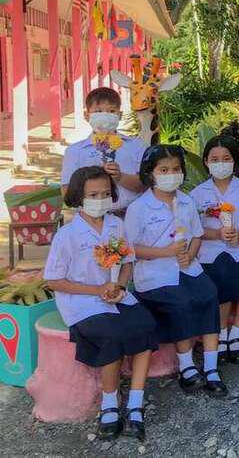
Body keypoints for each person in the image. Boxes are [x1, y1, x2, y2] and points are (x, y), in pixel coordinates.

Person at [44, 166, 158, 441]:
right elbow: (54, 281)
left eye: (106, 194)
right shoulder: (67, 235)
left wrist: (120, 286)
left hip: (116, 296)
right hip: (82, 303)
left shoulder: (116, 225)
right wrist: (97, 289)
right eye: (93, 195)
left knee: (145, 326)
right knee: (112, 335)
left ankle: (135, 402)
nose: (100, 200)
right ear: (78, 197)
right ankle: (109, 404)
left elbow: (128, 262)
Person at [124, 145, 227, 398]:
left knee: (209, 294)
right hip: (155, 274)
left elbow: (197, 235)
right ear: (150, 173)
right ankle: (187, 367)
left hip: (187, 267)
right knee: (181, 302)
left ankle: (211, 368)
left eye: (176, 169)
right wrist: (166, 252)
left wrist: (190, 255)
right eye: (164, 170)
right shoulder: (139, 208)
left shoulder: (186, 201)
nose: (171, 174)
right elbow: (130, 249)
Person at [190, 134, 239, 365]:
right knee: (220, 274)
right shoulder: (197, 194)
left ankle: (236, 334)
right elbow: (193, 227)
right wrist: (216, 234)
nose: (221, 163)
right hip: (211, 247)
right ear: (206, 162)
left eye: (226, 158)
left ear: (234, 161)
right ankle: (221, 333)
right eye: (215, 159)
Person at [61, 87, 147, 216]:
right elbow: (67, 192)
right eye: (98, 111)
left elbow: (145, 185)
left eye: (111, 111)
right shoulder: (74, 151)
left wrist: (120, 177)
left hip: (130, 216)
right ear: (86, 115)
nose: (105, 115)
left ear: (120, 115)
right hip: (90, 218)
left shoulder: (136, 146)